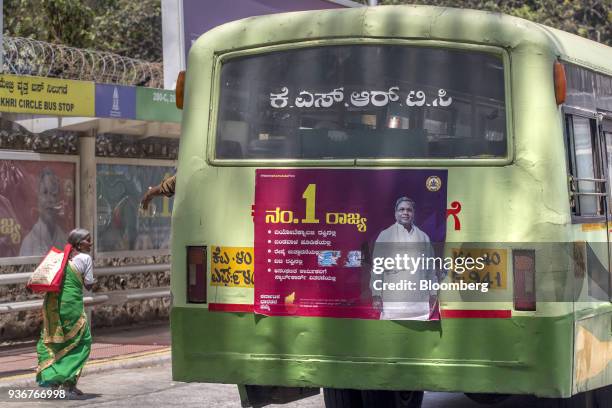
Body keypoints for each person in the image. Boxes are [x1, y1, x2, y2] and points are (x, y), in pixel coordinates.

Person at [36, 228, 95, 397]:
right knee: (82, 341)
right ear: (78, 243)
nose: (90, 243)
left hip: (53, 306)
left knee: (56, 342)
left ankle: (53, 381)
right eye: (87, 240)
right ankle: (69, 384)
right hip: (72, 307)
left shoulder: (61, 258)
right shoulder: (85, 258)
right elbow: (89, 285)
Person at [370, 197, 437, 320]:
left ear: (414, 213)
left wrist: (433, 293)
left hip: (419, 304)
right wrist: (376, 296)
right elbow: (376, 269)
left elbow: (431, 270)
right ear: (395, 212)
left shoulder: (424, 237)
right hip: (393, 303)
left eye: (409, 210)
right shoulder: (385, 235)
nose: (405, 213)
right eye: (401, 209)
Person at [19, 168, 67, 256]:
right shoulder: (29, 243)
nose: (50, 199)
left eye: (54, 194)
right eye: (45, 193)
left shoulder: (64, 239)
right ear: (38, 198)